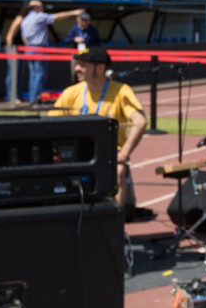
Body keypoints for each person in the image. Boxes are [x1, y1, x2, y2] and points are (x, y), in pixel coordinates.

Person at [50, 47, 147, 220]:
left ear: (100, 68)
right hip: (77, 153)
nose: (77, 69)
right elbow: (51, 123)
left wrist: (124, 153)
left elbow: (140, 121)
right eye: (77, 65)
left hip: (109, 153)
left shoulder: (121, 91)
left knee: (117, 172)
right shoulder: (71, 93)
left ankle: (115, 226)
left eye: (83, 65)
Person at [6, 0, 84, 107]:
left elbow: (23, 38)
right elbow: (57, 17)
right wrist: (74, 12)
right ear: (35, 8)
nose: (43, 8)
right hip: (38, 49)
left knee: (33, 74)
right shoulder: (38, 17)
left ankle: (33, 99)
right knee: (39, 74)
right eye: (41, 6)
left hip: (28, 49)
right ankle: (36, 100)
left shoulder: (25, 20)